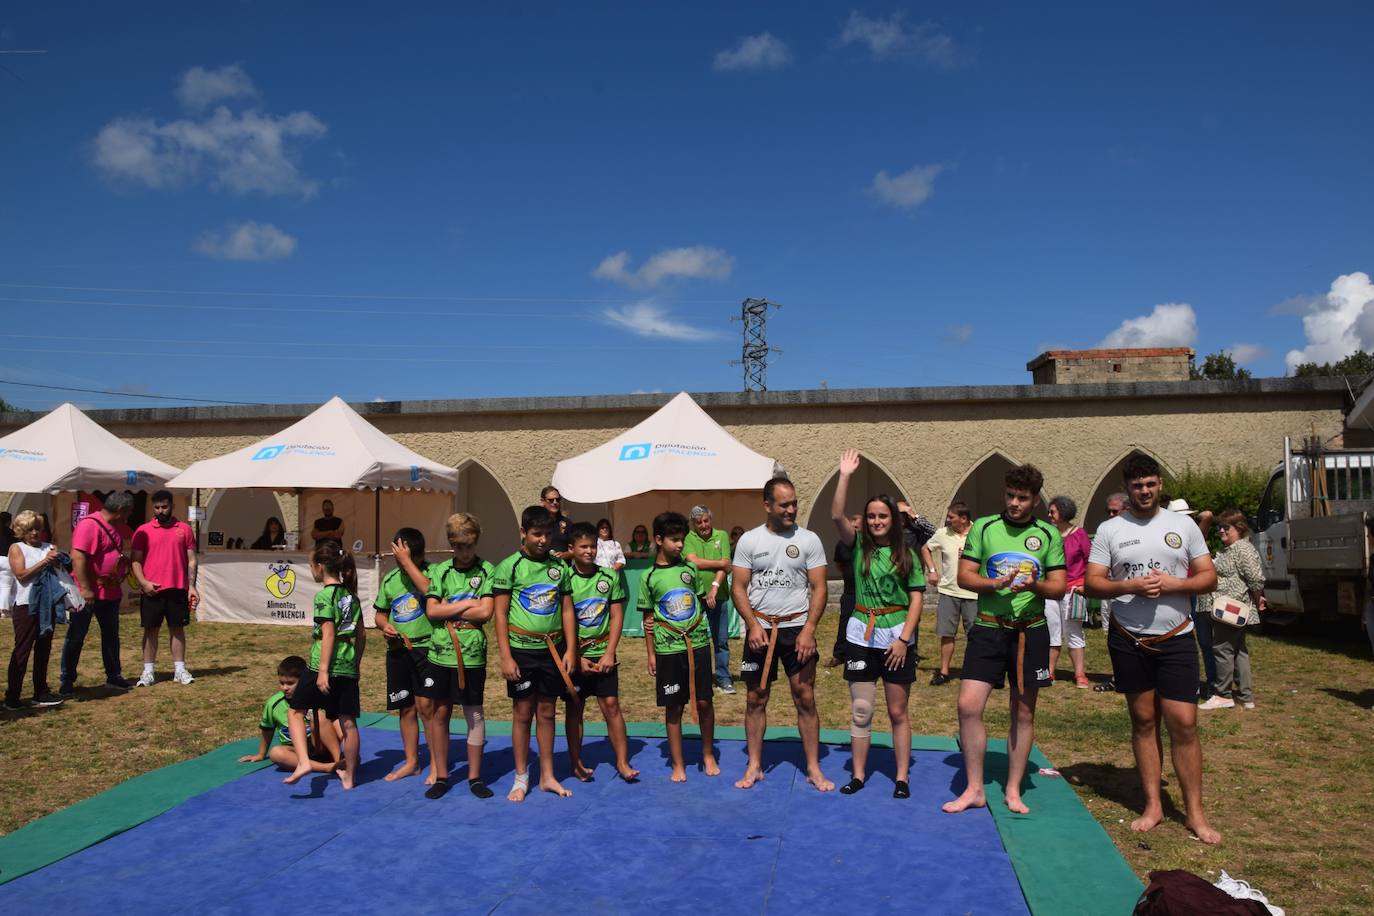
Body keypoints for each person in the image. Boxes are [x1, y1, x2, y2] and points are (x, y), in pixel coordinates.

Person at [1084, 453, 1221, 844]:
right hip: (1128, 638)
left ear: (1159, 484)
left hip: (1176, 637)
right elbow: (1093, 584)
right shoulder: (1111, 529)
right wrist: (1129, 586)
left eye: (1150, 484)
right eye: (1136, 486)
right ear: (1127, 489)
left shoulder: (1184, 526)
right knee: (1143, 722)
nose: (1144, 491)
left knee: (1184, 724)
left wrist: (1177, 585)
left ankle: (1194, 812)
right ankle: (1153, 805)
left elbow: (1208, 576)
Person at [943, 464, 1065, 817]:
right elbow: (965, 576)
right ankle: (975, 788)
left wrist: (1034, 585)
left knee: (1023, 711)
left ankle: (1013, 789)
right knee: (968, 706)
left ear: (1036, 500)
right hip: (988, 627)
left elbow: (1058, 587)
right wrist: (995, 584)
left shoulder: (1047, 534)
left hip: (1031, 630)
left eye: (1022, 498)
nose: (1014, 503)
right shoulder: (984, 527)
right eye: (1010, 495)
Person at [830, 450, 924, 797]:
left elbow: (916, 598)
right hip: (860, 635)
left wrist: (904, 639)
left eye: (882, 516)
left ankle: (902, 777)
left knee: (898, 711)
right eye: (871, 516)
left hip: (896, 636)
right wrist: (844, 475)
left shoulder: (906, 554)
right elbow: (837, 513)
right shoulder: (857, 548)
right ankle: (858, 775)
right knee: (861, 709)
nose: (876, 521)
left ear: (893, 519)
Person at [731, 476, 832, 792]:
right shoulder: (749, 541)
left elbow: (819, 587)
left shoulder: (809, 540)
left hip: (797, 630)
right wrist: (752, 625)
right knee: (755, 698)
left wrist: (809, 630)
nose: (792, 509)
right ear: (767, 505)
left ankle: (814, 768)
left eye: (794, 503)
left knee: (805, 697)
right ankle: (754, 765)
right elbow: (738, 587)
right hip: (760, 630)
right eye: (784, 504)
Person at [490, 505, 577, 801]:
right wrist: (506, 656)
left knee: (548, 712)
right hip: (522, 652)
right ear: (523, 533)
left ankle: (548, 776)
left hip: (553, 652)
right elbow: (499, 615)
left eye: (547, 534)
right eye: (537, 534)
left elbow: (567, 609)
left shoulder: (559, 567)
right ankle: (521, 776)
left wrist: (571, 649)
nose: (542, 540)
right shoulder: (509, 567)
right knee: (523, 712)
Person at [642, 511, 718, 781]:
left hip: (696, 644)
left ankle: (708, 753)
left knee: (705, 702)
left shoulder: (690, 569)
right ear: (659, 540)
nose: (680, 545)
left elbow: (698, 602)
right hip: (667, 650)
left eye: (682, 539)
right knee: (674, 706)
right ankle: (678, 763)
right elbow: (647, 619)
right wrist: (651, 654)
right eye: (674, 540)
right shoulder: (649, 577)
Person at [425, 512, 497, 799]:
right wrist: (469, 603)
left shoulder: (486, 570)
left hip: (472, 654)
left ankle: (475, 777)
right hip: (441, 651)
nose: (463, 552)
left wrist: (451, 605)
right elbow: (432, 610)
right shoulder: (440, 571)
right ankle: (442, 775)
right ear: (450, 544)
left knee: (474, 712)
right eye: (457, 547)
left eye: (468, 546)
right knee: (440, 712)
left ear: (476, 542)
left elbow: (486, 612)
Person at [284, 540, 364, 788]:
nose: (311, 570)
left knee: (294, 710)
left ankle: (304, 761)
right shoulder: (352, 597)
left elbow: (328, 633)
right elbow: (361, 637)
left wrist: (323, 672)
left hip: (324, 663)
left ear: (320, 566)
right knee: (347, 721)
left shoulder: (324, 596)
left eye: (311, 565)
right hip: (348, 665)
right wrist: (356, 666)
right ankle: (350, 775)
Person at [565, 521, 638, 782]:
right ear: (571, 548)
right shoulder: (565, 578)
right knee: (575, 708)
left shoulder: (608, 577)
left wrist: (609, 652)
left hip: (603, 651)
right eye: (583, 546)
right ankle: (577, 763)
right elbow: (561, 621)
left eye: (593, 546)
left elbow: (617, 616)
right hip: (576, 656)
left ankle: (622, 761)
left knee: (611, 705)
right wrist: (575, 656)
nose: (589, 551)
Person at [372, 528, 438, 788]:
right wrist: (384, 625)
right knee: (406, 707)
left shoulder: (432, 573)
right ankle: (411, 762)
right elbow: (379, 613)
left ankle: (436, 762)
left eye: (411, 556)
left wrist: (410, 564)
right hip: (398, 652)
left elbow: (431, 591)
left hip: (427, 650)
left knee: (427, 708)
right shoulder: (389, 580)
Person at [61, 491, 135, 694]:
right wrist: (85, 589)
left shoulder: (115, 527)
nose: (128, 517)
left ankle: (114, 675)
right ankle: (67, 680)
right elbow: (78, 557)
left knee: (111, 636)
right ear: (120, 510)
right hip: (89, 593)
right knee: (76, 636)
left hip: (109, 592)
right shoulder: (89, 525)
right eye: (128, 512)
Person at [1197, 510, 1265, 710]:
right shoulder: (1232, 548)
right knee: (1238, 650)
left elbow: (1255, 578)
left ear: (1239, 528)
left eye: (1226, 527)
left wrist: (1257, 598)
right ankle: (1245, 695)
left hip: (1232, 608)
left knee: (1223, 649)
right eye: (1219, 527)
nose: (1221, 531)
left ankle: (1223, 694)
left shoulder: (1242, 549)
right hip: (1227, 607)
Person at [131, 490, 198, 687]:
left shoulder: (184, 529)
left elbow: (192, 559)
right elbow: (135, 560)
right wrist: (144, 583)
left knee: (177, 630)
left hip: (178, 588)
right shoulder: (143, 530)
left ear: (172, 506)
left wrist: (191, 586)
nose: (160, 511)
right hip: (152, 589)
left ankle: (179, 669)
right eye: (157, 507)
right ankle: (148, 671)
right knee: (150, 630)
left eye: (164, 507)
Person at [237, 655, 341, 774]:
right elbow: (267, 729)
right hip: (296, 751)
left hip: (321, 746)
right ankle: (326, 768)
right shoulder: (273, 704)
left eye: (290, 683)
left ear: (303, 681)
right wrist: (261, 754)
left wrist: (344, 739)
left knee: (319, 717)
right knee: (275, 753)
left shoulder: (316, 696)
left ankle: (339, 760)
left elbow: (335, 721)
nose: (285, 688)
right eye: (282, 683)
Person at [4, 511, 65, 710]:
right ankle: (12, 695)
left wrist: (58, 560)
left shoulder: (49, 547)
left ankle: (41, 691)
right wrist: (45, 561)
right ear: (21, 531)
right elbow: (21, 575)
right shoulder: (17, 548)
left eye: (37, 528)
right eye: (30, 529)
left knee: (44, 649)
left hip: (47, 604)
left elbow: (61, 572)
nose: (35, 533)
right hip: (25, 605)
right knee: (22, 650)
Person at [683, 504, 735, 695]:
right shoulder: (689, 538)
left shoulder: (721, 535)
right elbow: (692, 561)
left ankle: (723, 678)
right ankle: (698, 677)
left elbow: (725, 566)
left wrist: (714, 588)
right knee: (696, 639)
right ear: (694, 524)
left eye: (706, 520)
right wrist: (719, 563)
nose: (703, 525)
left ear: (710, 520)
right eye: (699, 522)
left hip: (718, 596)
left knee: (720, 639)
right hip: (696, 597)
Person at [925, 501, 977, 686]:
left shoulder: (979, 532)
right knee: (947, 633)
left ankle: (973, 671)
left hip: (974, 593)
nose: (947, 520)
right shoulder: (942, 533)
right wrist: (932, 570)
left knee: (975, 636)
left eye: (951, 517)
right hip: (949, 591)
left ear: (963, 519)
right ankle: (944, 672)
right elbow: (926, 548)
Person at [1045, 495, 1092, 687]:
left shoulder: (1079, 534)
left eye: (1052, 511)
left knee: (1073, 631)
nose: (1049, 515)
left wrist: (1085, 585)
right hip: (1051, 589)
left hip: (1073, 590)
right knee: (1051, 631)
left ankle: (1079, 674)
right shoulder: (1048, 534)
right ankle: (1049, 672)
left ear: (1063, 512)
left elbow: (1091, 561)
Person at [1092, 492, 1130, 694]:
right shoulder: (1106, 532)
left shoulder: (1136, 531)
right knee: (1112, 638)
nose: (1111, 515)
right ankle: (1118, 677)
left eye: (1115, 511)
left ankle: (1130, 678)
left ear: (1127, 509)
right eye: (1108, 511)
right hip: (1111, 592)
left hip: (1132, 596)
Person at [826, 512, 862, 669]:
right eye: (852, 527)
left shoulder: (867, 544)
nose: (854, 529)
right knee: (845, 623)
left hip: (865, 594)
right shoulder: (841, 545)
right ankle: (839, 655)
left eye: (857, 527)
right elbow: (839, 564)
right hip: (849, 592)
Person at [540, 486, 571, 558]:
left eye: (557, 499)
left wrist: (564, 555)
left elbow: (574, 550)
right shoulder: (536, 522)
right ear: (542, 501)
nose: (555, 502)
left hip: (562, 566)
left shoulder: (567, 523)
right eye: (551, 500)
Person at [0, 511, 15, 620]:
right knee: (5, 586)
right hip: (6, 560)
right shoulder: (11, 533)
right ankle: (3, 610)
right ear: (9, 521)